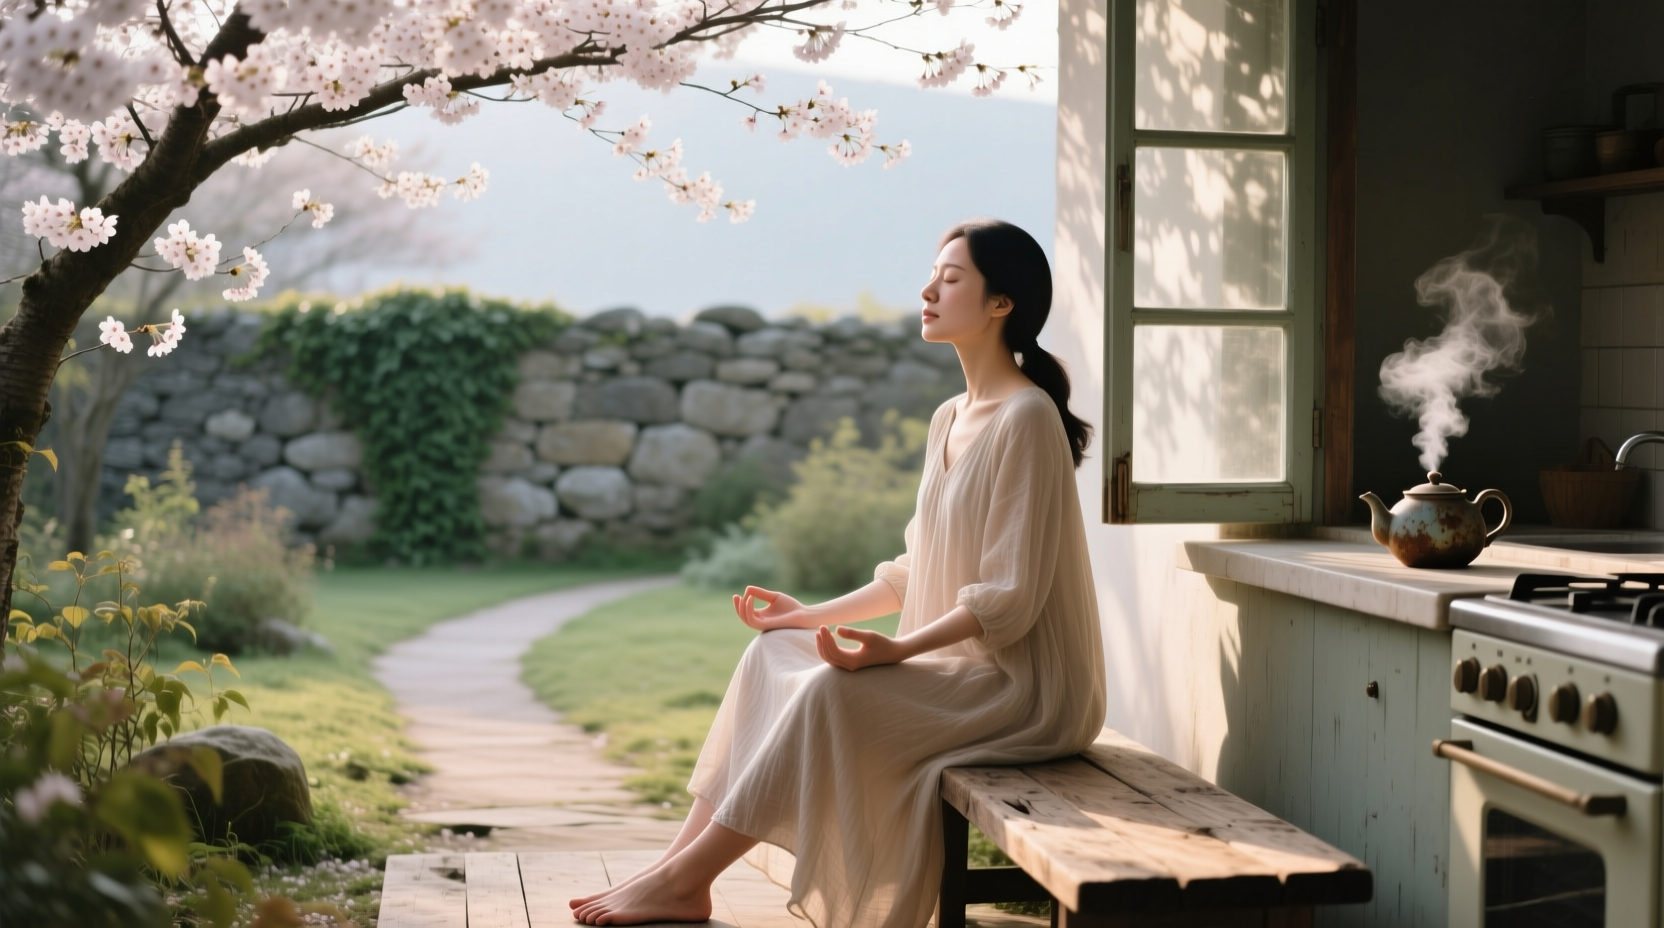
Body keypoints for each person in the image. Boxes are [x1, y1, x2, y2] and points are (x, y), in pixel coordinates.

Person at [570, 219, 1107, 928]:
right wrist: (807, 617)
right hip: (952, 670)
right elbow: (914, 571)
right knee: (772, 654)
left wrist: (899, 650)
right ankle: (676, 871)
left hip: (1022, 689)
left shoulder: (1027, 418)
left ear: (1001, 303)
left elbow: (1007, 599)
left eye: (951, 279)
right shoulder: (949, 417)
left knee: (830, 690)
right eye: (933, 275)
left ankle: (684, 879)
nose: (928, 290)